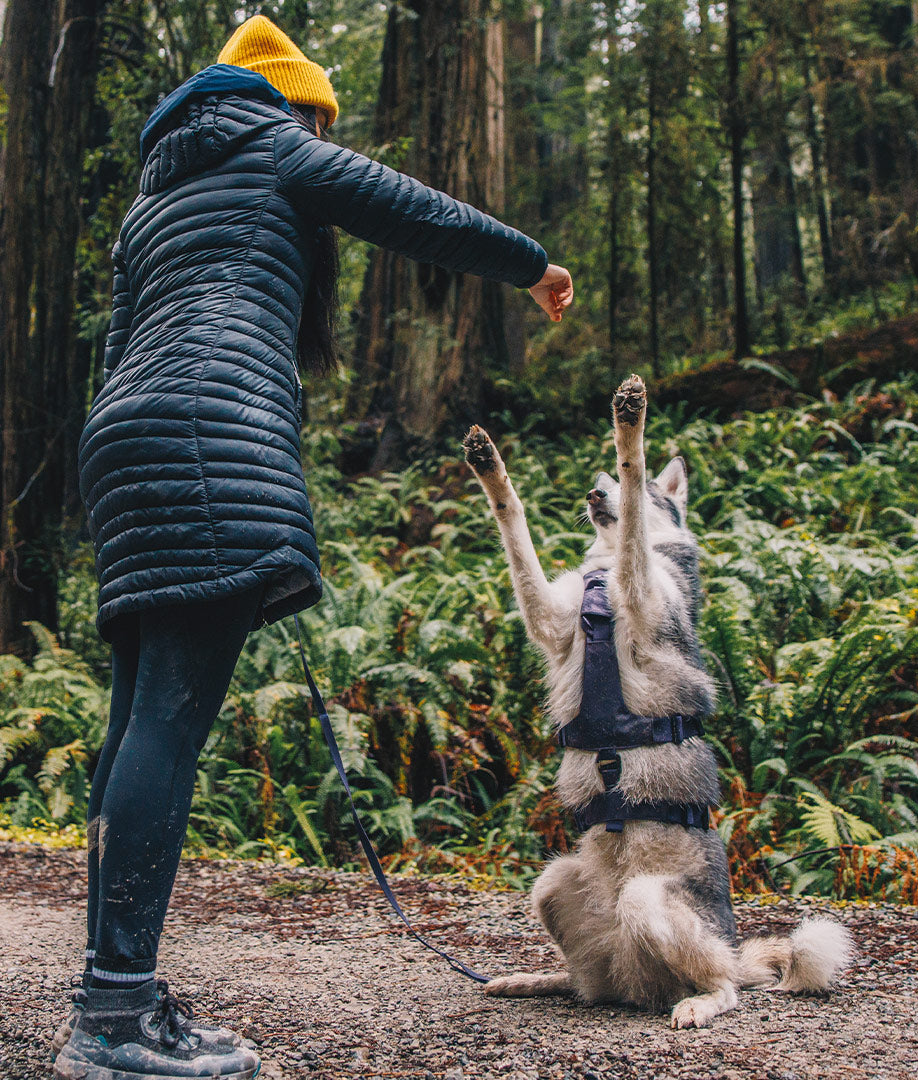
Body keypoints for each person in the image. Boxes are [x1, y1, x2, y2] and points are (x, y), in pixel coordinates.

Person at [55, 15, 573, 1080]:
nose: (321, 133)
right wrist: (531, 264)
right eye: (320, 118)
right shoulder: (274, 140)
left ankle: (116, 999)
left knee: (132, 722)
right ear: (292, 102)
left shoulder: (152, 195)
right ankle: (111, 1025)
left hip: (127, 442)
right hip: (207, 427)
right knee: (168, 720)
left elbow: (114, 354)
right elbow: (410, 210)